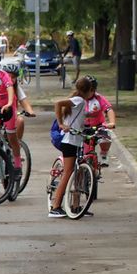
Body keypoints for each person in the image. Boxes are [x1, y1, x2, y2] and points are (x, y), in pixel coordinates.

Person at [48, 75, 115, 217]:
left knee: (77, 172)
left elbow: (80, 120)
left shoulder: (82, 101)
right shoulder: (79, 100)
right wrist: (61, 124)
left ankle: (76, 205)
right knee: (68, 173)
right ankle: (55, 207)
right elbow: (58, 103)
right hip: (69, 141)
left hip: (77, 140)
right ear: (89, 90)